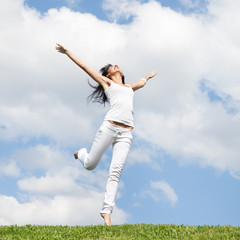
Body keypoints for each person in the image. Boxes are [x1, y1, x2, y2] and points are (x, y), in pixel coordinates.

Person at [56, 43, 157, 226]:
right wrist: (67, 52)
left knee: (115, 172)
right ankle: (81, 153)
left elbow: (141, 83)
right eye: (111, 67)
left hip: (126, 133)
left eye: (116, 65)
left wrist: (148, 77)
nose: (115, 66)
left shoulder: (128, 87)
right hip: (109, 128)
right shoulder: (107, 83)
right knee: (90, 165)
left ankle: (106, 212)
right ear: (108, 75)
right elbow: (85, 67)